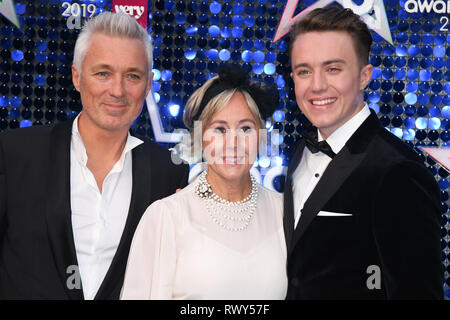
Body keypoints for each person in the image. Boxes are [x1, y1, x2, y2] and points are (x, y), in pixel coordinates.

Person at [0, 12, 189, 299]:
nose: (117, 90)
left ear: (148, 84)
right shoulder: (15, 154)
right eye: (103, 73)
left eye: (132, 76)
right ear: (77, 76)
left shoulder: (168, 172)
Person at [284, 6, 443, 299]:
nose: (317, 86)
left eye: (333, 69)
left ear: (364, 76)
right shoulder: (298, 153)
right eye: (305, 71)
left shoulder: (398, 171)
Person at [120, 64, 287, 299]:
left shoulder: (284, 212)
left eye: (246, 129)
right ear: (199, 137)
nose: (233, 143)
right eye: (219, 129)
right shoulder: (165, 217)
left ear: (260, 135)